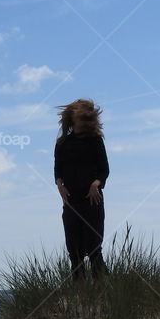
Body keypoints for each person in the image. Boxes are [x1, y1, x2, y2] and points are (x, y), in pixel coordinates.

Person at [54, 99, 109, 282]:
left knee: (94, 247)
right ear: (73, 119)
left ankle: (103, 288)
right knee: (74, 250)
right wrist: (59, 185)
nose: (84, 124)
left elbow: (104, 169)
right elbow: (58, 170)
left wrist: (96, 184)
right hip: (71, 202)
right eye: (81, 119)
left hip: (92, 201)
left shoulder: (95, 141)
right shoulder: (62, 143)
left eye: (87, 120)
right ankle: (78, 291)